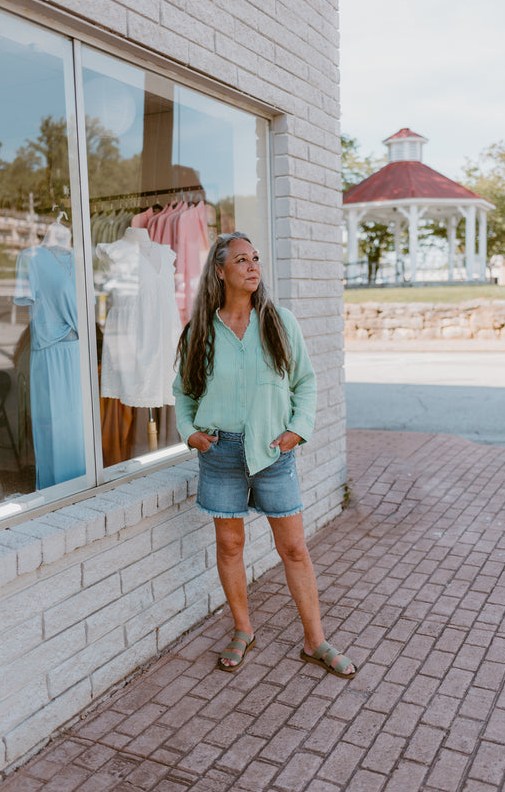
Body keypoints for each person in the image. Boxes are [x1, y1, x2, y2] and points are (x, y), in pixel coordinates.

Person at [173, 232, 357, 679]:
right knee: (230, 545)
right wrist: (190, 433)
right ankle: (243, 629)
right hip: (220, 453)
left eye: (255, 258)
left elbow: (306, 382)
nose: (253, 266)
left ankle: (316, 641)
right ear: (220, 271)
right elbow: (183, 391)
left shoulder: (279, 322)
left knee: (293, 548)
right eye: (241, 260)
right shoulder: (200, 330)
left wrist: (298, 429)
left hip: (274, 453)